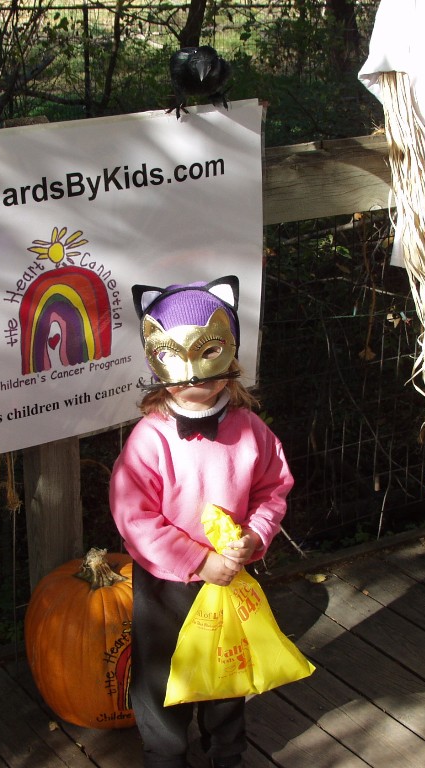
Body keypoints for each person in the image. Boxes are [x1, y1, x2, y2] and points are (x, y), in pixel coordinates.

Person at [109, 275, 294, 768]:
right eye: (178, 361)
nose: (195, 376)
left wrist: (254, 536)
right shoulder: (150, 439)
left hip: (230, 575)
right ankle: (166, 757)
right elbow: (134, 516)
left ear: (230, 356)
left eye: (209, 355)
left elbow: (273, 488)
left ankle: (227, 754)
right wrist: (196, 560)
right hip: (167, 585)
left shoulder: (252, 431)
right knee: (164, 676)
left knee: (226, 673)